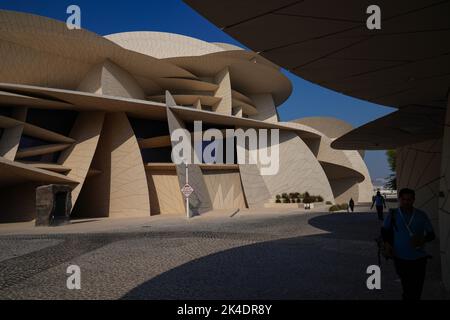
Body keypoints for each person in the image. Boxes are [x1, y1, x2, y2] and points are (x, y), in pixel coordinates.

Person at [381, 188, 435, 300]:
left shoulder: (421, 215)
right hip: (400, 258)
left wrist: (423, 240)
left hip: (419, 258)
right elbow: (384, 231)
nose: (406, 202)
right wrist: (387, 244)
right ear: (399, 199)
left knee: (417, 288)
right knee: (407, 287)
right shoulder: (393, 214)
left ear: (413, 200)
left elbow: (431, 235)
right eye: (403, 199)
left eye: (409, 199)